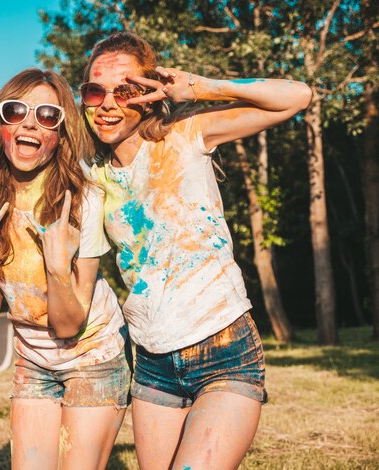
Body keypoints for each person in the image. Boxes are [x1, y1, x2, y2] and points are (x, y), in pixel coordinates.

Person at [80, 32, 312, 469]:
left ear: (148, 94)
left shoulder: (185, 134)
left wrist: (202, 87)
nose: (108, 103)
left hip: (224, 347)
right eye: (96, 90)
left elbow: (297, 97)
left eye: (125, 89)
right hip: (151, 362)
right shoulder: (92, 175)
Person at [0, 68, 130, 470]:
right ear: (0, 122)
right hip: (33, 358)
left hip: (94, 354)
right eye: (16, 110)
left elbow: (70, 324)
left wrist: (58, 270)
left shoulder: (83, 198)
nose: (30, 123)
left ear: (60, 134)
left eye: (48, 116)